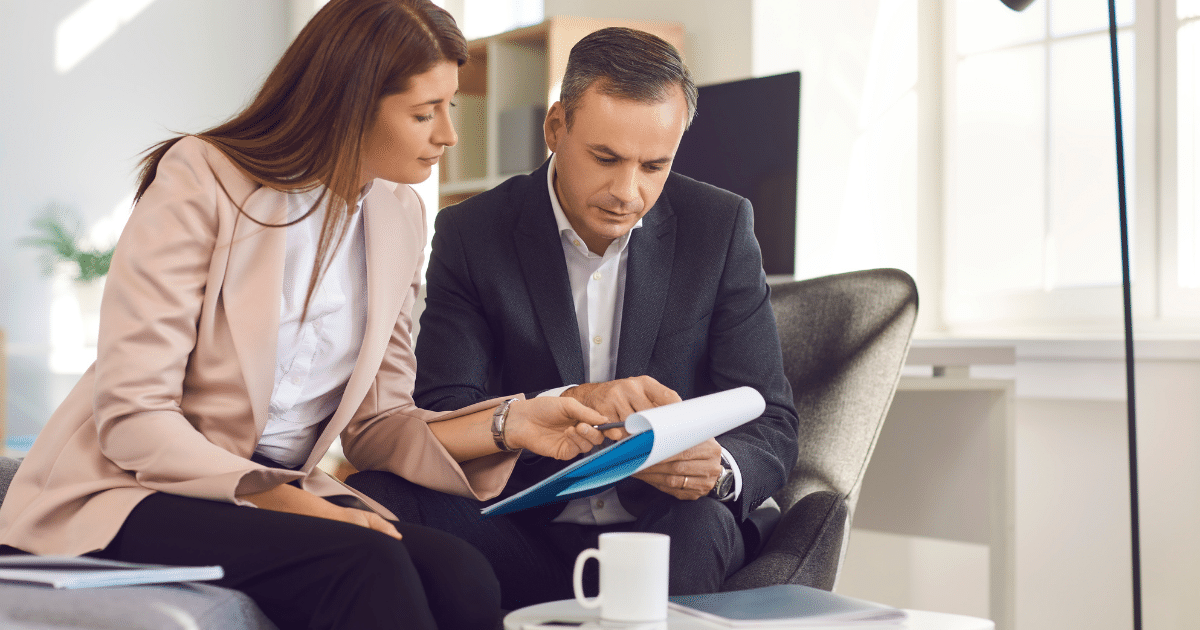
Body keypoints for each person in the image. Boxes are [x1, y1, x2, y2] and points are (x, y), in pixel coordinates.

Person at [0, 2, 613, 629]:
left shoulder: (398, 216)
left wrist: (514, 423)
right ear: (348, 103)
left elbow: (379, 424)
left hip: (270, 494)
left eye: (449, 107)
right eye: (424, 113)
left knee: (463, 573)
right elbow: (135, 418)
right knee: (365, 563)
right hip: (131, 488)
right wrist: (293, 504)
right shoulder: (202, 179)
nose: (448, 134)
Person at [347, 27, 800, 610]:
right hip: (523, 524)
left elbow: (772, 417)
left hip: (668, 529)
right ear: (556, 127)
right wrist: (568, 402)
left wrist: (716, 469)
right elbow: (445, 405)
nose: (627, 191)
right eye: (605, 158)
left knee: (699, 525)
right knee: (378, 496)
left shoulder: (720, 225)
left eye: (654, 166)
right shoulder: (473, 232)